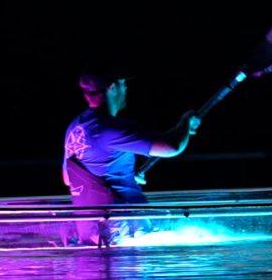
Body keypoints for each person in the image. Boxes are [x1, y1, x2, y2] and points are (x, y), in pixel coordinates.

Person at [62, 71, 201, 207]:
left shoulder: (74, 127)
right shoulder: (110, 127)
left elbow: (68, 178)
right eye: (123, 83)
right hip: (125, 217)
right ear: (112, 87)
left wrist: (123, 172)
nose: (126, 88)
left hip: (95, 218)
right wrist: (186, 121)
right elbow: (172, 146)